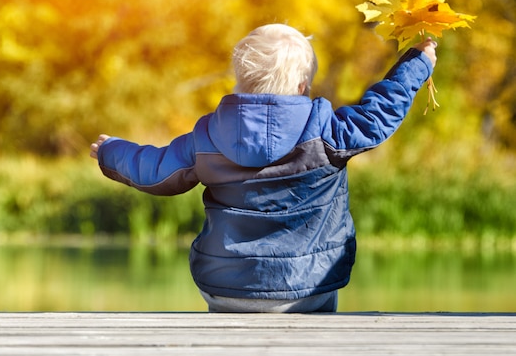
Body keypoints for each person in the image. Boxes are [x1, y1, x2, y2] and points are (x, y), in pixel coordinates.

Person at [90, 23, 437, 313]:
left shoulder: (207, 135)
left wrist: (111, 150)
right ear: (302, 86)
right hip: (308, 288)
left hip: (226, 287)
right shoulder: (326, 132)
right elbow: (379, 112)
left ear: (240, 80)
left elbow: (153, 170)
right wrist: (417, 63)